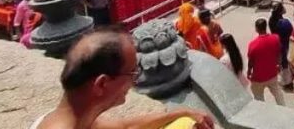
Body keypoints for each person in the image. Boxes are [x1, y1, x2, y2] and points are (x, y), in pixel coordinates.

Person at [32, 29, 212, 129]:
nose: (135, 82)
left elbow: (126, 126)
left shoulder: (77, 117)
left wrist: (184, 113)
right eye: (132, 73)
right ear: (102, 84)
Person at [246, 18, 283, 104]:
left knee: (258, 97)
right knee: (278, 94)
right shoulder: (275, 38)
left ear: (256, 29)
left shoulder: (253, 44)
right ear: (265, 27)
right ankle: (283, 108)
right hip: (272, 73)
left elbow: (251, 61)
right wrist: (279, 65)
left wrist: (248, 72)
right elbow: (279, 53)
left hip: (258, 77)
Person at [267, 2, 294, 90]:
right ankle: (288, 81)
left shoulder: (271, 20)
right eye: (283, 7)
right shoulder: (285, 22)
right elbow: (292, 33)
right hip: (286, 44)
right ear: (280, 11)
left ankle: (285, 80)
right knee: (287, 62)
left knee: (282, 63)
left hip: (277, 44)